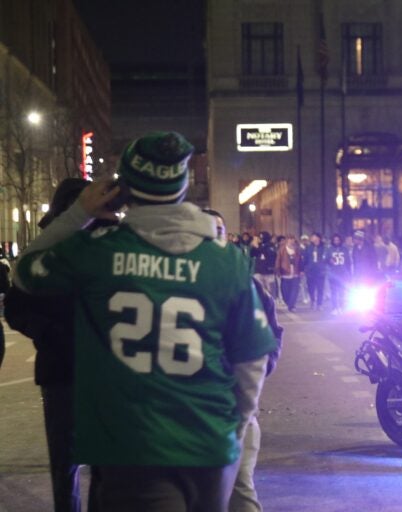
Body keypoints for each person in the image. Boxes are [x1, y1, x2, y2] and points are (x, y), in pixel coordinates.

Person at [13, 131, 277, 511]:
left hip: (133, 447)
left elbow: (23, 272)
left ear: (125, 188)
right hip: (210, 447)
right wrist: (232, 430)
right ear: (184, 185)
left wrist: (78, 214)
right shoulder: (227, 261)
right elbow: (252, 361)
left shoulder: (97, 253)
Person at [4, 178, 99, 512]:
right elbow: (15, 308)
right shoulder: (46, 249)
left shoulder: (107, 244)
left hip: (99, 368)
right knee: (65, 461)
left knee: (101, 461)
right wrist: (48, 332)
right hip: (61, 367)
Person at [202, 209, 283, 512]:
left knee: (239, 487)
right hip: (195, 410)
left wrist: (265, 366)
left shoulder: (247, 283)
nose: (214, 236)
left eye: (220, 230)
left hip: (237, 410)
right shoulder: (188, 282)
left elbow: (272, 334)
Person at [325, 233, 351, 315]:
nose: (336, 241)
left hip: (342, 273)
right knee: (334, 292)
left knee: (342, 292)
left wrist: (349, 273)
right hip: (333, 273)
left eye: (338, 240)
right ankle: (335, 307)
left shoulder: (344, 249)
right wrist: (329, 261)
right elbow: (325, 260)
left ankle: (341, 306)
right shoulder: (329, 249)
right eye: (335, 240)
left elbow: (348, 262)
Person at [276, 235, 302, 311]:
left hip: (295, 273)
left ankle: (292, 305)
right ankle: (289, 303)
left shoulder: (297, 250)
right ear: (287, 241)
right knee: (285, 291)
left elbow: (301, 261)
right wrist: (278, 270)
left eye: (292, 239)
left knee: (295, 289)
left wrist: (301, 270)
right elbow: (278, 260)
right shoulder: (281, 250)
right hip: (285, 273)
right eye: (290, 239)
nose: (291, 241)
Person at [302, 232, 327, 310]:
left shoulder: (323, 247)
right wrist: (303, 269)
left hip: (320, 271)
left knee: (320, 288)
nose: (313, 239)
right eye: (312, 237)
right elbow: (305, 259)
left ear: (318, 238)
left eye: (314, 237)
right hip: (311, 271)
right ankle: (313, 300)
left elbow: (327, 258)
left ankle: (319, 304)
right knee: (310, 288)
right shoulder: (309, 248)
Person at [252, 231, 278, 298]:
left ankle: (271, 304)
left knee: (270, 291)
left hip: (268, 272)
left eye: (261, 238)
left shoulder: (271, 246)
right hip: (258, 271)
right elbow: (252, 254)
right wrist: (253, 247)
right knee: (259, 290)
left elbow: (270, 254)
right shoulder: (259, 246)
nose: (260, 239)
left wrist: (258, 247)